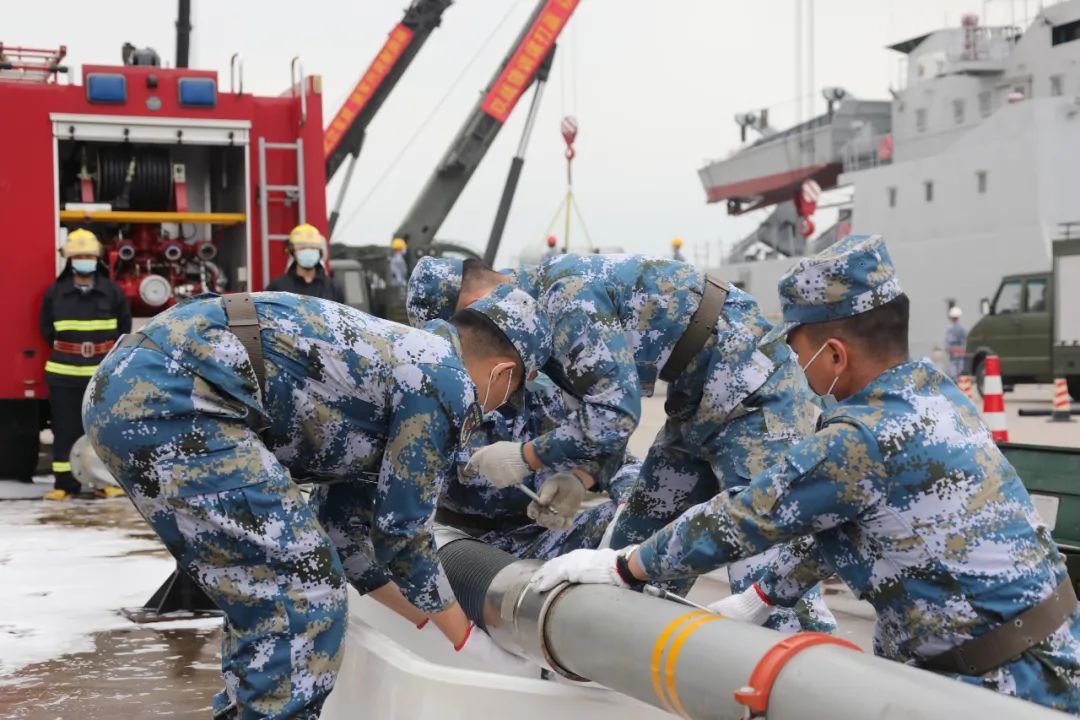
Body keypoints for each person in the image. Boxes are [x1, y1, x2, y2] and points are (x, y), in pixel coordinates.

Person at [532, 234, 1080, 713]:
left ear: (835, 355)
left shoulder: (860, 440)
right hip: (1041, 657)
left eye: (795, 350)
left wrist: (624, 566)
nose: (792, 364)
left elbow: (745, 515)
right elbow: (847, 522)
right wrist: (764, 595)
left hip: (998, 687)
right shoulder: (936, 399)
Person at [83, 285, 550, 719]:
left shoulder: (400, 365)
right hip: (175, 396)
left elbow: (345, 537)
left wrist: (424, 623)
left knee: (274, 589)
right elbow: (403, 535)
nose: (496, 410)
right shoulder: (445, 380)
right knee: (299, 592)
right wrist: (468, 642)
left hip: (144, 383)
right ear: (503, 373)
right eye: (508, 397)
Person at [407, 255, 837, 634]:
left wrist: (526, 457)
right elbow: (598, 411)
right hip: (696, 402)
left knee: (767, 581)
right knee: (632, 554)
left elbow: (615, 413)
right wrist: (581, 475)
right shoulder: (535, 331)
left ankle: (815, 689)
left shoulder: (561, 297)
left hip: (750, 388)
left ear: (476, 303)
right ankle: (621, 668)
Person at [39, 228, 131, 500]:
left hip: (102, 375)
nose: (84, 260)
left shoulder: (112, 293)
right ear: (69, 260)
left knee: (102, 430)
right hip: (64, 375)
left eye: (89, 256)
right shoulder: (55, 293)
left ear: (97, 259)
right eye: (79, 256)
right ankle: (64, 485)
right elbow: (46, 331)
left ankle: (104, 482)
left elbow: (123, 330)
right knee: (65, 430)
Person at [265, 223, 344, 302]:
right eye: (302, 248)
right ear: (293, 252)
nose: (308, 251)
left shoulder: (333, 288)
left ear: (320, 252)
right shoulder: (278, 287)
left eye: (312, 248)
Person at [946, 305, 966, 381]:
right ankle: (959, 378)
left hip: (953, 349)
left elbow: (948, 340)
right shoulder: (961, 328)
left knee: (953, 365)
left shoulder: (950, 328)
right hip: (960, 349)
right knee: (960, 364)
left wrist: (947, 348)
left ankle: (954, 380)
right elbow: (964, 339)